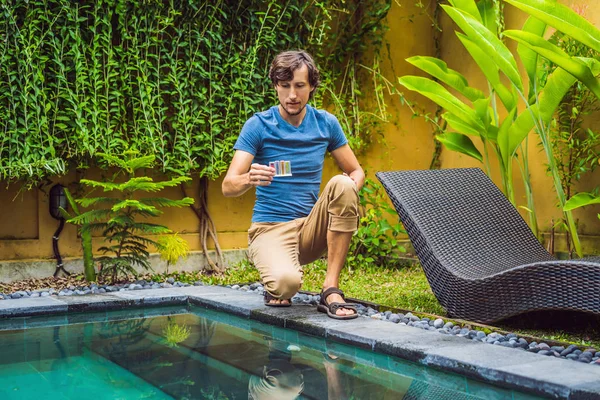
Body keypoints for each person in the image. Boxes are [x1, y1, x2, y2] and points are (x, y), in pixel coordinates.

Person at [222, 50, 365, 319]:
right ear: (275, 86)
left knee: (343, 184)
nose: (292, 95)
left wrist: (349, 196)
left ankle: (330, 288)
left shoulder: (326, 123)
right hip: (270, 228)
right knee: (285, 286)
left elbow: (356, 171)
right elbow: (229, 185)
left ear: (312, 86)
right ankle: (274, 277)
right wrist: (249, 179)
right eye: (285, 86)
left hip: (311, 227)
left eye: (299, 86)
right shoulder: (258, 125)